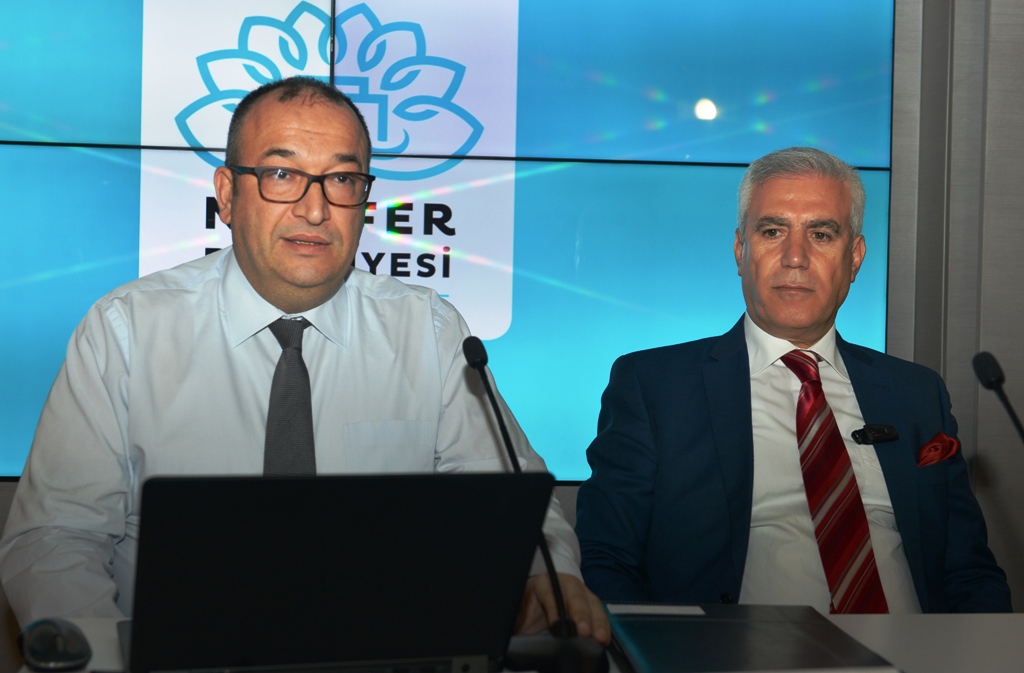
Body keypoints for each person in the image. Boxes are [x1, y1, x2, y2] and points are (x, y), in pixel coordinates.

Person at [0, 76, 610, 643]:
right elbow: (55, 537)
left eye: (341, 180)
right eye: (281, 175)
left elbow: (512, 503)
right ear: (227, 195)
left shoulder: (428, 330)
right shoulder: (126, 330)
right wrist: (105, 655)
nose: (315, 210)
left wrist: (546, 574)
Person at [575, 147, 1011, 613]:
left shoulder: (916, 393)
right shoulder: (654, 386)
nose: (795, 257)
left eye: (821, 234)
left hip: (914, 645)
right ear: (740, 250)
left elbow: (968, 572)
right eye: (772, 231)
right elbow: (606, 559)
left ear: (855, 258)